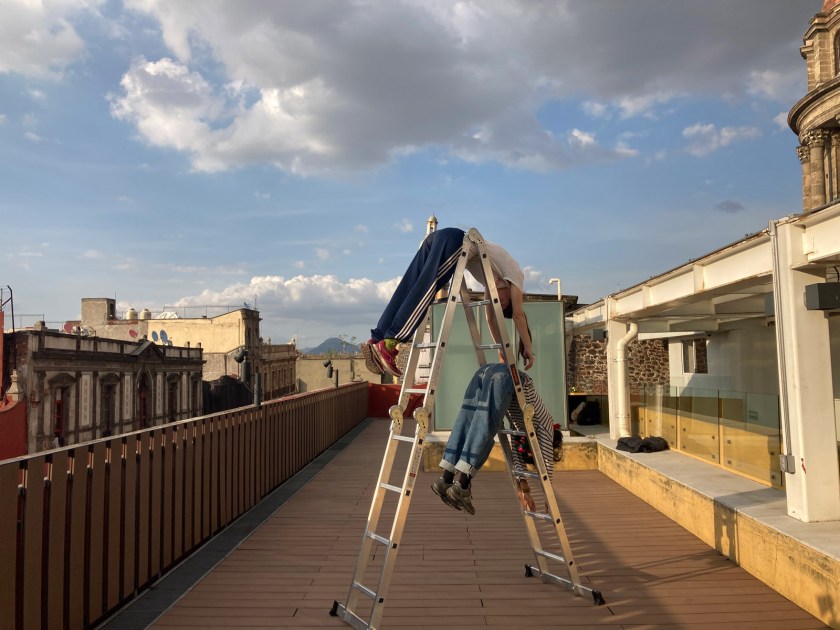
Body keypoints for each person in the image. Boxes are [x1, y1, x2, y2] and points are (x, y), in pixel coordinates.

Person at [361, 227, 534, 377]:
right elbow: (519, 315)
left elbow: (490, 318)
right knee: (425, 292)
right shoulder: (517, 277)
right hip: (455, 243)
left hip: (438, 239)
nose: (498, 301)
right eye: (504, 302)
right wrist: (528, 347)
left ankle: (377, 340)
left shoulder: (491, 283)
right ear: (513, 297)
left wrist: (500, 349)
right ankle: (390, 344)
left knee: (408, 286)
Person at [430, 332, 554, 515]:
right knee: (485, 428)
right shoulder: (547, 429)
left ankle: (446, 479)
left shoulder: (521, 432)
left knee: (467, 421)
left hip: (486, 372)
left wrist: (525, 490)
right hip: (510, 378)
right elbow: (547, 468)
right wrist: (549, 500)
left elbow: (516, 460)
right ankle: (462, 485)